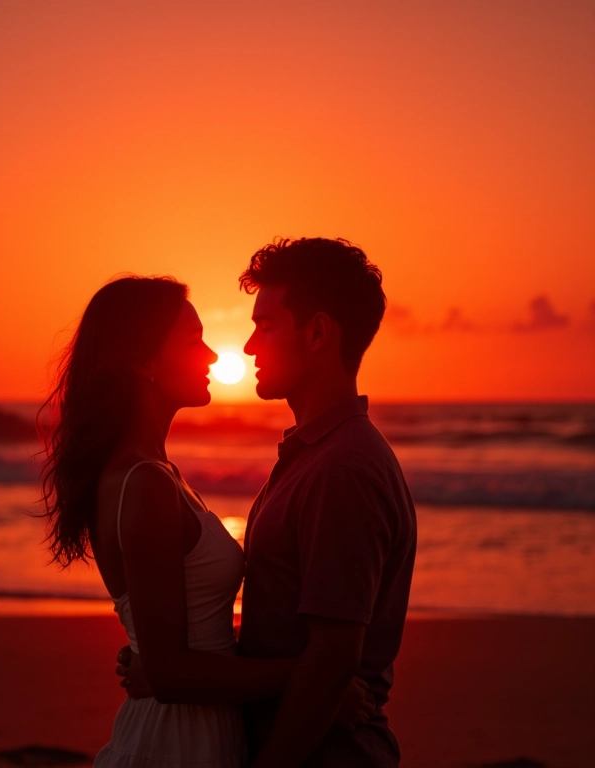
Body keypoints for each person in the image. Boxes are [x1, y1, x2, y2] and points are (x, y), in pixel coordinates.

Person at [39, 275, 372, 768]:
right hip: (174, 742)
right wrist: (314, 679)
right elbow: (173, 675)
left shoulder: (156, 474)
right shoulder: (145, 483)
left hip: (196, 730)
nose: (214, 355)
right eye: (193, 340)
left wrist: (156, 668)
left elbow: (167, 662)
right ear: (144, 361)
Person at [121, 238, 417, 767]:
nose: (250, 347)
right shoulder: (313, 456)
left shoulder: (342, 469)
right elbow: (286, 632)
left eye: (266, 326)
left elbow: (332, 657)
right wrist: (178, 672)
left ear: (319, 332)